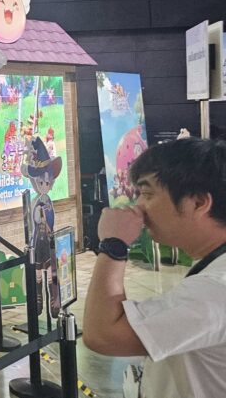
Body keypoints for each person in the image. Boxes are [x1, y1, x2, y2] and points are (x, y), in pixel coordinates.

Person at [83, 138, 226, 397]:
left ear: (197, 203)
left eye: (147, 194)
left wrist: (113, 245)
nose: (138, 206)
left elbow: (103, 335)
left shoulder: (214, 289)